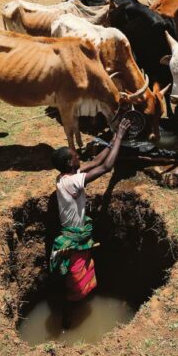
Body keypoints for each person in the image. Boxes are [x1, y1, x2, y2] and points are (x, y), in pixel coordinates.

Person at [49, 118, 131, 329]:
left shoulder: (65, 176)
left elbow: (96, 162)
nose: (79, 157)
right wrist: (120, 137)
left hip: (78, 239)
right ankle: (66, 321)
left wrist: (113, 141)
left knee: (79, 279)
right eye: (76, 156)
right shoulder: (72, 182)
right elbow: (106, 166)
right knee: (74, 284)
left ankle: (75, 308)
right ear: (70, 163)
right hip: (73, 243)